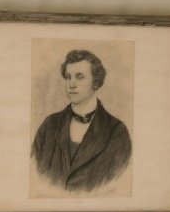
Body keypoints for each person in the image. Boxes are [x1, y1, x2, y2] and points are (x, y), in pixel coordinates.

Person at [31, 49, 132, 192]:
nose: (71, 84)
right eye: (68, 77)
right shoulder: (49, 125)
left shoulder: (117, 132)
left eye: (79, 77)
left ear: (95, 83)